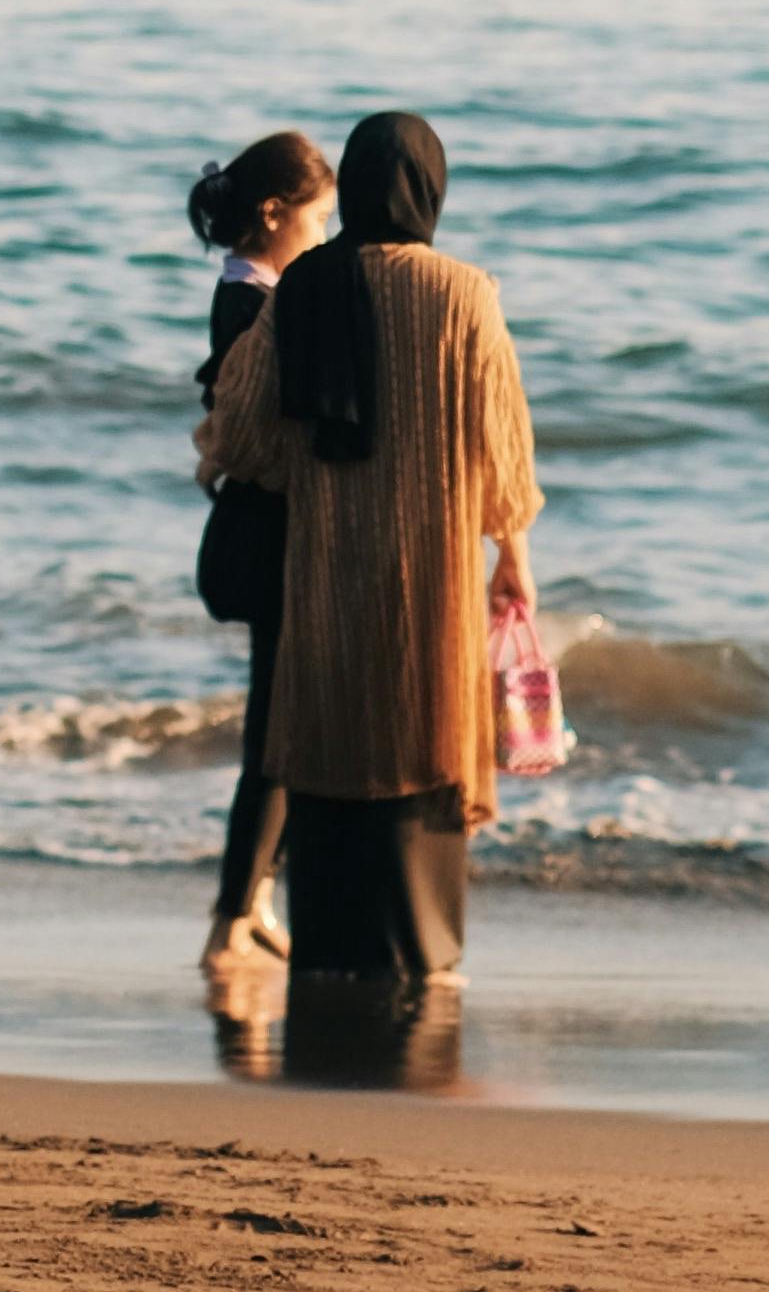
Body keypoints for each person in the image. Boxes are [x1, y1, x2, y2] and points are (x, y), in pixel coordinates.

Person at [194, 108, 539, 1000]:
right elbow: (503, 448)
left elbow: (240, 433)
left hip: (325, 564)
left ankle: (331, 946)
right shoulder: (467, 293)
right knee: (424, 726)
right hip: (433, 568)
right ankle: (423, 951)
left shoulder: (306, 284)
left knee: (332, 733)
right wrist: (514, 557)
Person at [185, 129, 333, 999]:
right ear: (274, 213)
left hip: (265, 524)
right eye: (319, 217)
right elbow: (250, 413)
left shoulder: (256, 291)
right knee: (273, 730)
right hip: (267, 532)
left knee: (281, 723)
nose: (325, 232)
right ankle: (229, 917)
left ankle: (254, 903)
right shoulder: (251, 302)